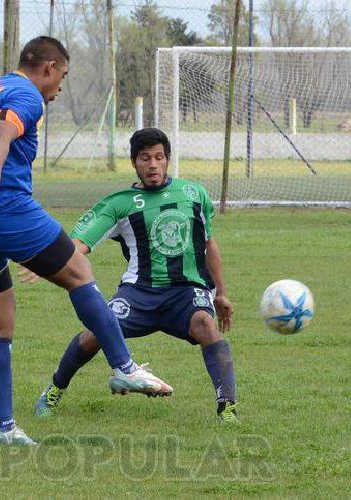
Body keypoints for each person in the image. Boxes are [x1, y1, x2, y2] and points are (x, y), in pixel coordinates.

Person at [0, 36, 173, 446]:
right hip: (2, 208)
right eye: (62, 76)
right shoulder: (26, 94)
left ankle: (1, 426)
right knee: (80, 272)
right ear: (47, 67)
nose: (60, 86)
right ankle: (123, 365)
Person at [29, 128, 239, 424]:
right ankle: (53, 390)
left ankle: (227, 407)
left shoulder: (194, 194)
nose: (152, 165)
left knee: (206, 325)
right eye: (145, 158)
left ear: (168, 160)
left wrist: (221, 293)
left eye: (158, 157)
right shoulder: (120, 203)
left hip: (185, 293)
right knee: (94, 334)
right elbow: (80, 243)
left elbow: (209, 244)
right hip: (138, 293)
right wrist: (45, 259)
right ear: (134, 163)